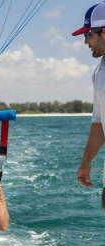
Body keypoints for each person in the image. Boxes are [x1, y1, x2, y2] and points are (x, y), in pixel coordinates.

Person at [73, 2, 105, 187]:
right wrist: (86, 161)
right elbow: (99, 122)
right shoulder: (99, 73)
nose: (86, 42)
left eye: (88, 34)